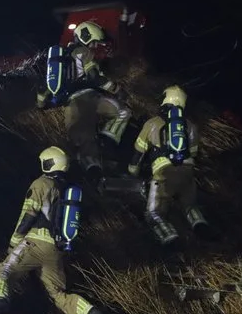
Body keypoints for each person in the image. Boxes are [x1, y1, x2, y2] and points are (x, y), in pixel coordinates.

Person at [0, 146, 104, 314]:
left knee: (5, 269)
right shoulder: (65, 189)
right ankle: (89, 313)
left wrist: (14, 241)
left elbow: (28, 214)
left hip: (35, 242)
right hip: (56, 249)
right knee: (57, 293)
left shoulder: (42, 184)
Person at [37, 21, 130, 184]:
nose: (95, 46)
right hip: (91, 98)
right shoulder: (83, 52)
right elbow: (94, 77)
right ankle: (107, 145)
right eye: (94, 42)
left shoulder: (59, 60)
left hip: (71, 106)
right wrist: (117, 89)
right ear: (86, 37)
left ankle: (93, 174)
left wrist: (41, 105)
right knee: (123, 112)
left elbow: (45, 88)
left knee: (83, 139)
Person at [127, 85, 209, 245]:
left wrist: (132, 173)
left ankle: (170, 238)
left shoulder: (152, 124)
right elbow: (193, 153)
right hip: (187, 172)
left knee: (154, 214)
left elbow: (139, 151)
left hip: (163, 173)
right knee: (189, 205)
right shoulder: (190, 126)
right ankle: (200, 224)